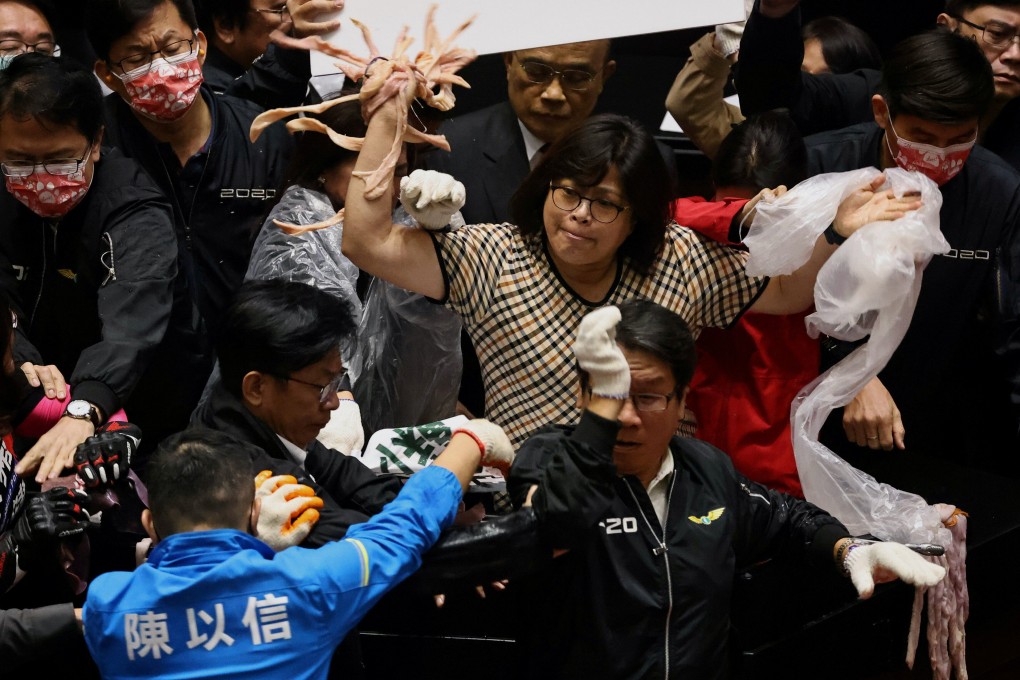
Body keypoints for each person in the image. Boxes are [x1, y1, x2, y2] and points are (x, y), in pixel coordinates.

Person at [342, 82, 922, 446]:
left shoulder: (681, 258)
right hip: (540, 495)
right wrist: (389, 115)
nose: (578, 216)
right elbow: (365, 242)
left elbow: (790, 293)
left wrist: (835, 229)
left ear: (639, 218)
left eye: (605, 205)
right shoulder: (490, 254)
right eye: (566, 193)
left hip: (663, 503)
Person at [506, 301, 946, 679]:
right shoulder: (549, 458)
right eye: (607, 394)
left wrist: (851, 550)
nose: (625, 416)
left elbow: (786, 518)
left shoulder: (706, 468)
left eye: (648, 397)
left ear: (682, 400)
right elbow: (548, 521)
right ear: (583, 395)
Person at [82, 419, 514, 678]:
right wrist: (472, 440)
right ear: (255, 512)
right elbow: (406, 524)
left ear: (148, 522)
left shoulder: (107, 606)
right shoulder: (311, 584)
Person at [796, 29, 1020, 474]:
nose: (940, 155)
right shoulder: (818, 165)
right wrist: (852, 370)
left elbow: (1012, 328)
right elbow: (775, 297)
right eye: (922, 136)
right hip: (810, 414)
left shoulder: (999, 191)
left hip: (932, 423)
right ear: (883, 112)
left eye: (959, 138)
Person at [0, 54, 203, 482]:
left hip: (140, 416)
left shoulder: (134, 211)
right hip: (32, 405)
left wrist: (86, 407)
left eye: (59, 160)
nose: (40, 178)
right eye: (20, 162)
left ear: (96, 142)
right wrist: (19, 356)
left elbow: (132, 323)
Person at [245, 92, 464, 433]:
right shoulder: (295, 230)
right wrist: (340, 401)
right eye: (372, 171)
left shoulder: (408, 219)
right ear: (324, 168)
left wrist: (438, 234)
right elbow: (303, 345)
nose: (388, 188)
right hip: (301, 427)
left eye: (400, 172)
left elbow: (430, 330)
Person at [85, 0, 294, 328]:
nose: (162, 70)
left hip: (248, 353)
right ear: (108, 75)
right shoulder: (93, 150)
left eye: (173, 47)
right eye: (137, 59)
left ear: (200, 46)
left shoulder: (264, 136)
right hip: (138, 361)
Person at [191, 278, 404, 546]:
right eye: (323, 386)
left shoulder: (257, 417)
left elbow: (346, 475)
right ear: (257, 387)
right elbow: (372, 542)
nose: (334, 402)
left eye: (337, 383)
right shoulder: (253, 485)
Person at [672, 111, 814, 496]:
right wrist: (737, 216)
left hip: (777, 440)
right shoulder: (688, 225)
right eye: (730, 202)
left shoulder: (821, 237)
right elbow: (656, 213)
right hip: (694, 431)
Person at [737, 0, 1020, 171]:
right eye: (996, 34)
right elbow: (771, 98)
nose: (1014, 55)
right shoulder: (876, 93)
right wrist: (775, 11)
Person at [666, 13, 879, 159]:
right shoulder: (761, 133)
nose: (808, 86)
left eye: (824, 80)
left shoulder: (864, 154)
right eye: (801, 74)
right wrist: (725, 42)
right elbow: (690, 107)